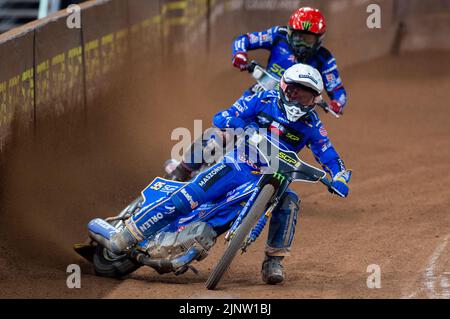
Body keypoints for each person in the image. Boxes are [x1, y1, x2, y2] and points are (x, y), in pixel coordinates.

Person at [89, 64, 352, 285]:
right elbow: (224, 115)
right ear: (284, 87)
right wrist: (243, 128)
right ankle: (124, 237)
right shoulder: (262, 99)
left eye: (305, 97)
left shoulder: (312, 125)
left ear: (315, 100)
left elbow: (328, 154)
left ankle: (273, 262)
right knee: (189, 196)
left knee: (289, 201)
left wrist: (339, 176)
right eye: (294, 92)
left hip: (273, 177)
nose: (297, 100)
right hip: (237, 164)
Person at [169, 7, 348, 182]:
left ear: (319, 40)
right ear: (290, 32)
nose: (302, 44)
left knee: (275, 153)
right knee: (222, 133)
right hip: (259, 100)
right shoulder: (278, 35)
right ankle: (183, 169)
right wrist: (239, 54)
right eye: (298, 37)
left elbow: (337, 89)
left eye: (307, 39)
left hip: (290, 114)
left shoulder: (325, 58)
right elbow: (244, 40)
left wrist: (337, 103)